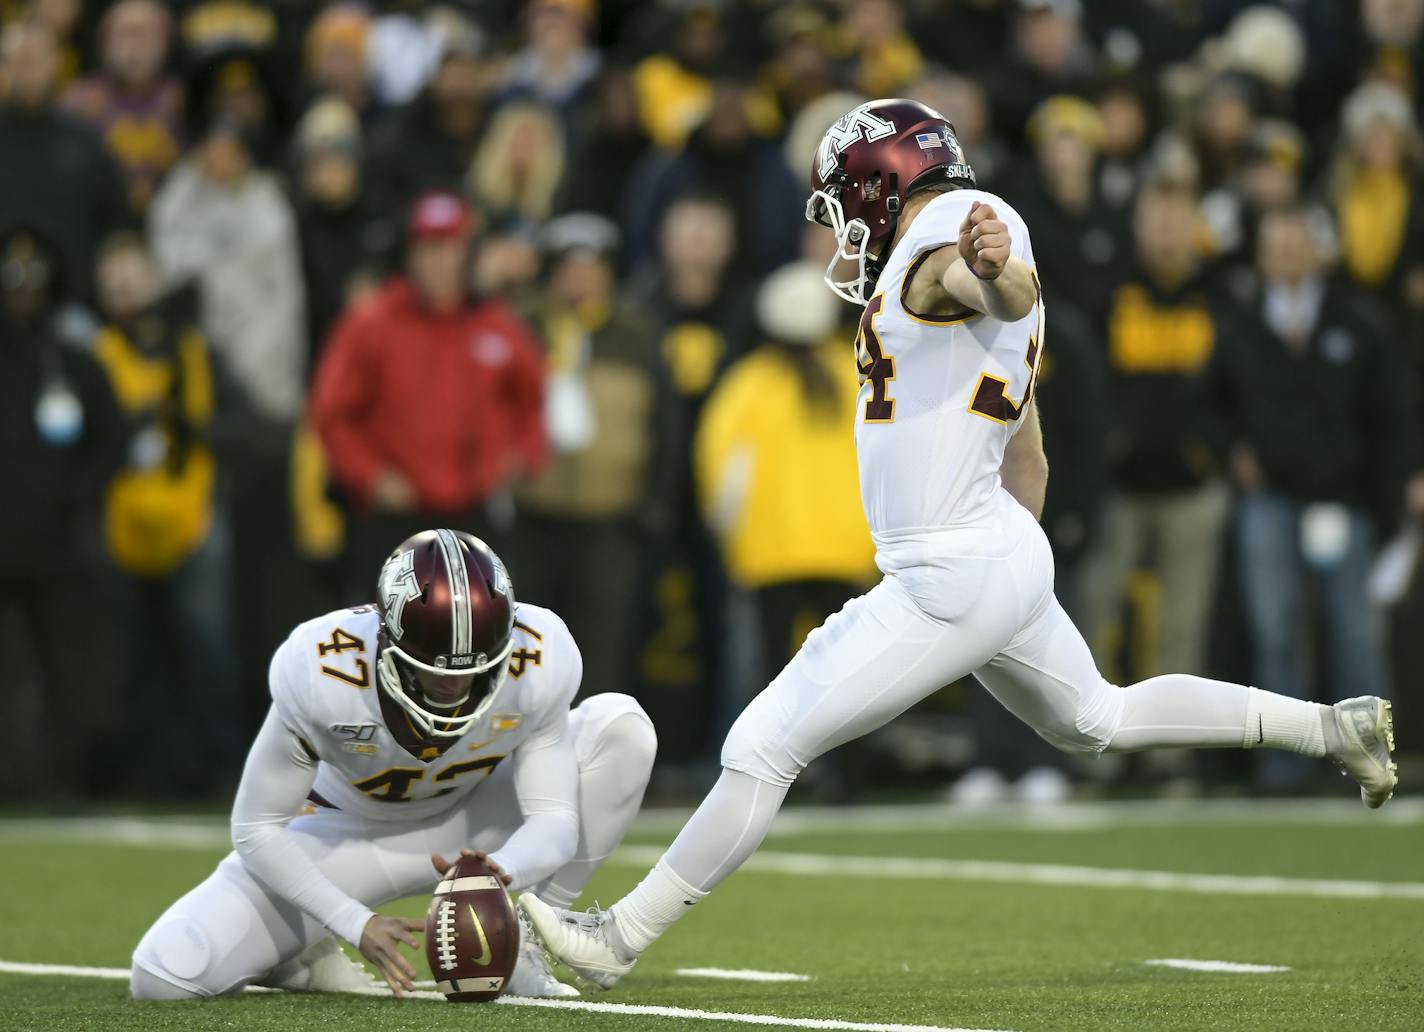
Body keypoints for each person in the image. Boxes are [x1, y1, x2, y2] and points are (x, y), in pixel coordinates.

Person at [518, 99, 1400, 989]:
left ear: (882, 181)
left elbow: (987, 284)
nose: (840, 227)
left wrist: (997, 272)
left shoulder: (947, 243)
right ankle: (1331, 727)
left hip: (949, 568)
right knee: (1098, 717)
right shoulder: (973, 245)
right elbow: (1029, 445)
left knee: (761, 744)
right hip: (997, 547)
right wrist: (1012, 557)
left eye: (844, 202)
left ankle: (617, 939)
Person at [130, 529, 656, 1000]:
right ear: (389, 641)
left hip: (475, 824)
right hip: (349, 836)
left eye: (475, 671)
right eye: (434, 671)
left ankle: (528, 934)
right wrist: (354, 923)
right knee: (167, 974)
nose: (455, 687)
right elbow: (255, 828)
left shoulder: (540, 654)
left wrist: (504, 873)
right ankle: (299, 957)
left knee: (621, 729)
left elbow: (554, 820)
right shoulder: (321, 669)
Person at [1221, 204, 1413, 790]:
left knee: (1352, 633)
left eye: (1295, 243)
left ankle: (1372, 759)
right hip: (1271, 499)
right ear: (1261, 254)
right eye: (1275, 245)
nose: (1284, 255)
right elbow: (1209, 401)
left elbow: (1394, 411)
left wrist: (1387, 487)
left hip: (1343, 500)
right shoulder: (1243, 321)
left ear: (1317, 250)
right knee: (1276, 632)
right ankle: (1285, 766)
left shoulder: (1357, 322)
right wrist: (1232, 449)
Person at [310, 191, 548, 596]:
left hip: (475, 517)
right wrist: (371, 476)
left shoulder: (496, 325)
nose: (439, 261)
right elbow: (331, 413)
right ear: (411, 254)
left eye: (450, 247)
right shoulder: (372, 323)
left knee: (475, 640)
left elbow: (535, 402)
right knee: (385, 639)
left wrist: (520, 457)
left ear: (467, 253)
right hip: (394, 519)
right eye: (428, 248)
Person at [0, 223, 125, 802]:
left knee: (66, 667)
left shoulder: (75, 362)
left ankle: (61, 778)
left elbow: (111, 439)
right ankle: (13, 777)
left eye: (32, 279)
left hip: (61, 547)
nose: (23, 291)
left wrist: (73, 496)